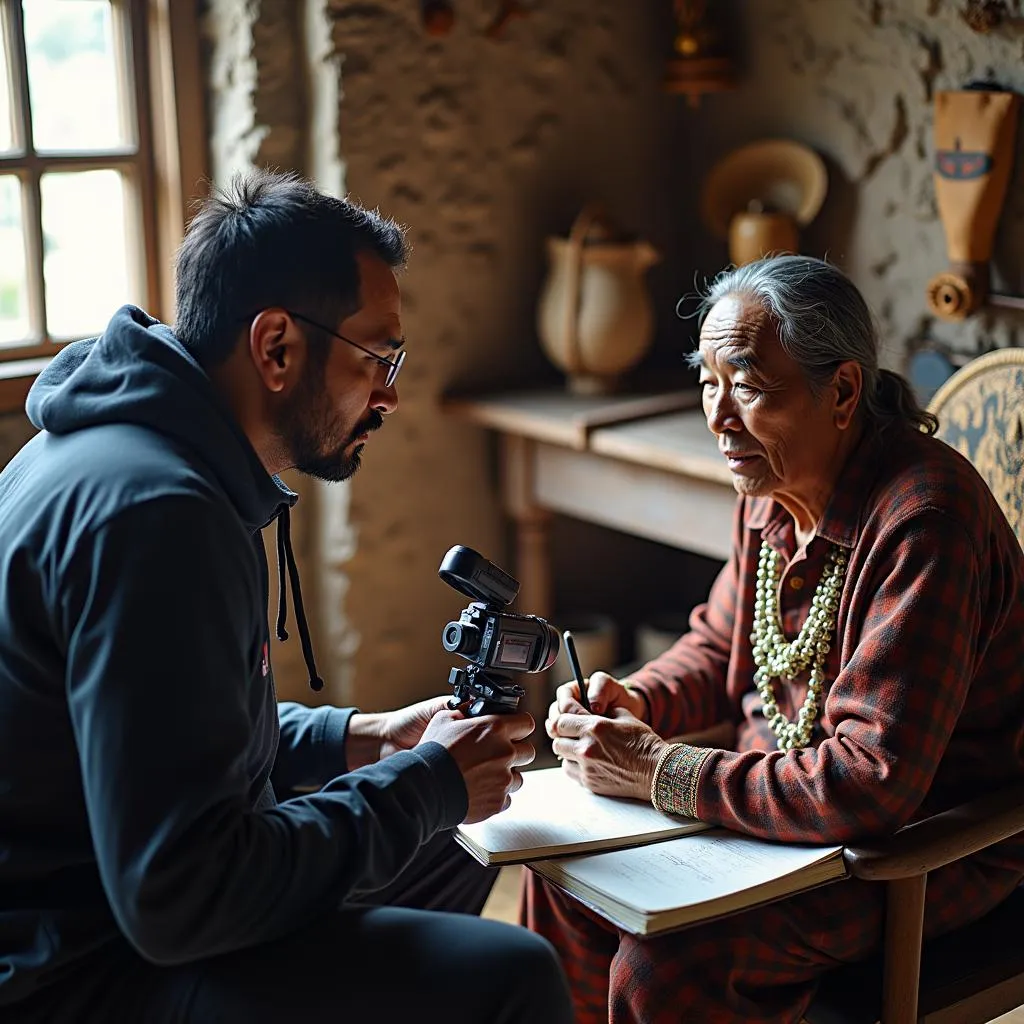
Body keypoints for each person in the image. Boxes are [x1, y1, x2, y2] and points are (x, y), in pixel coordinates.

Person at [0, 169, 573, 1024]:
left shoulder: (116, 450)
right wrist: (422, 786)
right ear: (276, 347)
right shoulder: (161, 516)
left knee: (462, 842)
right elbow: (178, 896)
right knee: (510, 973)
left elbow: (164, 729)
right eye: (379, 357)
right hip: (77, 973)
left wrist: (362, 740)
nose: (390, 393)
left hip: (113, 907)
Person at [526, 255, 1024, 1024]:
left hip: (916, 849)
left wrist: (657, 767)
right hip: (776, 816)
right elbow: (719, 643)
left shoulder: (926, 521)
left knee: (669, 968)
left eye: (750, 388)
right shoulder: (771, 490)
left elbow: (868, 785)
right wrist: (634, 700)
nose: (720, 418)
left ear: (844, 392)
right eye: (709, 385)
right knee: (555, 879)